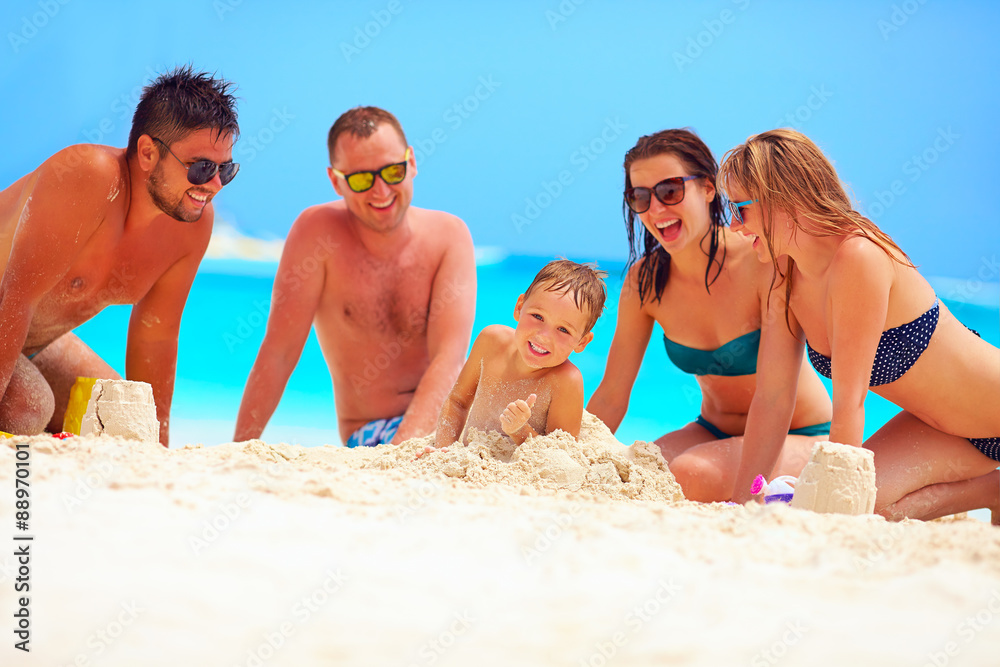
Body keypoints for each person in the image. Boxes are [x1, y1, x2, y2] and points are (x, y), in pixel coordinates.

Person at [719, 128, 1000, 521]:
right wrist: (740, 506)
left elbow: (849, 402)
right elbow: (773, 398)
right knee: (874, 505)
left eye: (740, 209)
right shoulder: (783, 274)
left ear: (781, 200)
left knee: (850, 502)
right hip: (946, 431)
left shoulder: (858, 257)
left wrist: (834, 519)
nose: (733, 225)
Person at [586, 128, 833, 501]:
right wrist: (573, 455)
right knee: (632, 469)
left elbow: (775, 397)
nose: (655, 209)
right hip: (710, 430)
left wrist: (741, 502)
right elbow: (612, 395)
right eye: (639, 197)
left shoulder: (762, 260)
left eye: (669, 191)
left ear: (707, 188)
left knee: (687, 473)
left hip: (800, 433)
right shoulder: (646, 282)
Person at [0, 66, 240, 446]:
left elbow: (156, 338)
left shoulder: (191, 224)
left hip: (27, 341)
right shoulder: (87, 175)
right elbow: (15, 296)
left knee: (122, 416)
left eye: (225, 170)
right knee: (27, 407)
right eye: (201, 168)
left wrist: (156, 447)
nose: (213, 185)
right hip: (7, 315)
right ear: (147, 152)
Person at [234, 107, 476, 447]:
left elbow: (449, 356)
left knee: (501, 343)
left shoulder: (450, 235)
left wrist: (405, 451)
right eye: (362, 179)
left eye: (393, 171)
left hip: (457, 420)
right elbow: (280, 352)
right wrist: (240, 449)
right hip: (375, 432)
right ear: (336, 181)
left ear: (412, 163)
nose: (380, 191)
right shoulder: (316, 235)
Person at [434, 259, 606, 448]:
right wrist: (442, 450)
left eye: (563, 330)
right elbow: (457, 402)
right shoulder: (490, 341)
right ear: (519, 307)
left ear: (582, 341)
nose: (544, 336)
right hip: (468, 462)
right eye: (538, 317)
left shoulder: (566, 381)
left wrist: (520, 430)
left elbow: (561, 454)